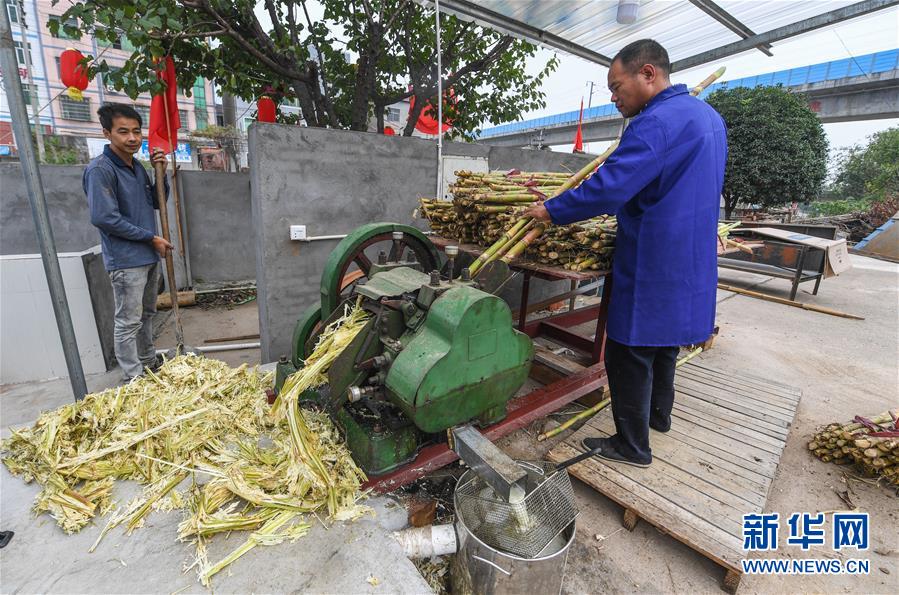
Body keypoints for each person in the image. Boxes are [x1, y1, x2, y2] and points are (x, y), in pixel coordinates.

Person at [523, 39, 727, 468]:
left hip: (655, 253)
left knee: (628, 349)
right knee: (664, 342)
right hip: (692, 255)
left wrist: (551, 209)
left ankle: (632, 446)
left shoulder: (654, 123)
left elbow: (611, 187)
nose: (613, 98)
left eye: (617, 87)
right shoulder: (708, 117)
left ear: (648, 73)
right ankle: (658, 418)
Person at [83, 103, 173, 381]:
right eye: (123, 132)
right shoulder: (101, 169)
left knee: (147, 314)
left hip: (148, 256)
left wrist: (162, 173)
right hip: (126, 260)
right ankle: (133, 377)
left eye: (136, 131)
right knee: (127, 321)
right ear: (107, 133)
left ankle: (148, 361)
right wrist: (151, 237)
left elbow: (157, 203)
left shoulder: (137, 168)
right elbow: (104, 218)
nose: (132, 138)